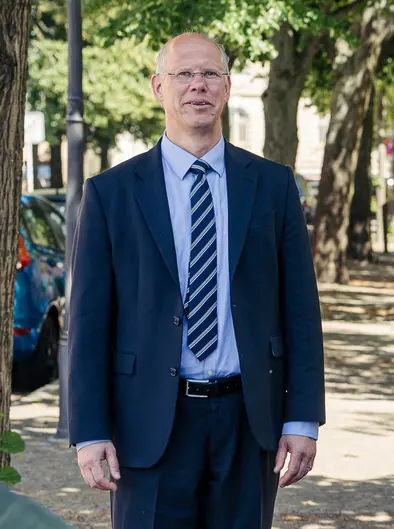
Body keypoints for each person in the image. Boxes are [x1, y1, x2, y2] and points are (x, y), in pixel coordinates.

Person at [68, 32, 325, 528]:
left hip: (250, 423)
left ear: (227, 87)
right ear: (158, 87)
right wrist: (90, 430)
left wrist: (302, 417)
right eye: (184, 74)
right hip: (148, 423)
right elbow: (89, 323)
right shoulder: (111, 194)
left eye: (209, 74)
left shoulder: (273, 186)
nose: (197, 86)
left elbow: (300, 310)